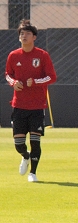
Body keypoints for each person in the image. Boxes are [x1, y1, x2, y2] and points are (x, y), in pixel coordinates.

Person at [6, 19, 57, 183]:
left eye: (27, 33)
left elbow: (52, 77)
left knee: (35, 140)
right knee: (19, 143)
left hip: (37, 106)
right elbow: (8, 74)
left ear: (34, 37)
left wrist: (35, 82)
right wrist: (14, 83)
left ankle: (33, 173)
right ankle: (25, 156)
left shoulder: (42, 55)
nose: (24, 36)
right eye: (21, 33)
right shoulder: (13, 56)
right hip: (19, 106)